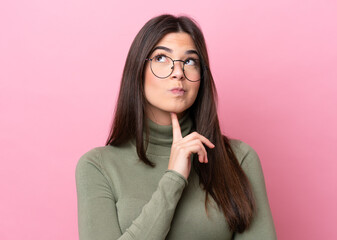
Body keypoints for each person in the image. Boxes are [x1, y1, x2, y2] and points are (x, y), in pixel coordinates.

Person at [75, 14, 277, 240]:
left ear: (202, 77)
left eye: (190, 61)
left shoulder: (239, 159)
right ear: (137, 71)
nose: (178, 72)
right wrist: (174, 178)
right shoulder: (98, 166)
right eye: (161, 58)